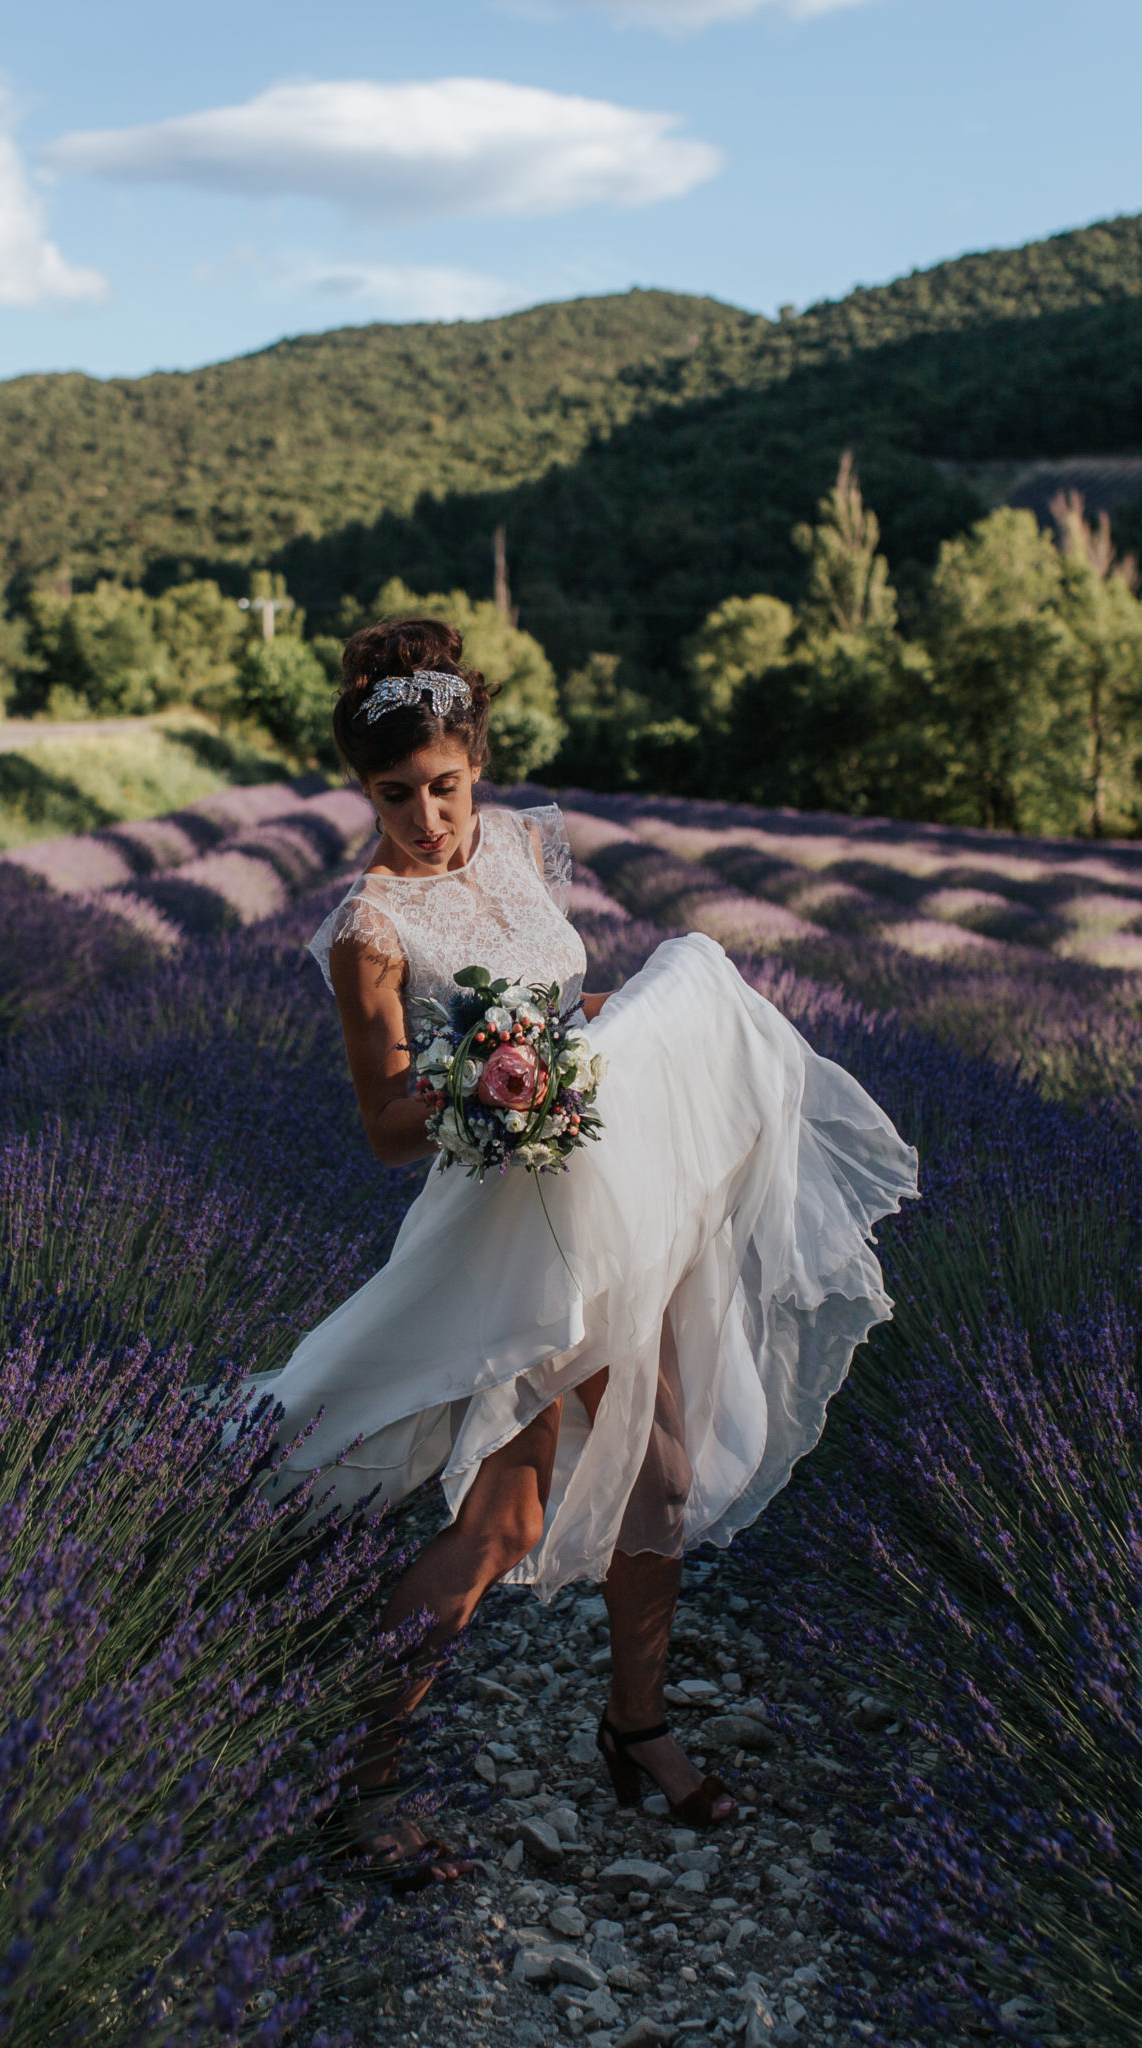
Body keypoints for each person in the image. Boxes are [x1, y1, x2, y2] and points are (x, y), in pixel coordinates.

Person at [263, 614, 918, 1884]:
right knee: (502, 1519)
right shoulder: (369, 930)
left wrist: (583, 1028)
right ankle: (362, 1782)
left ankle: (638, 1726)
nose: (428, 818)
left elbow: (556, 993)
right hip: (509, 1221)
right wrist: (487, 1084)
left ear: (477, 765)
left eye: (445, 786)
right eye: (396, 795)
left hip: (616, 1182)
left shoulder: (519, 847)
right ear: (363, 792)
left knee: (659, 1471)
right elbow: (389, 1128)